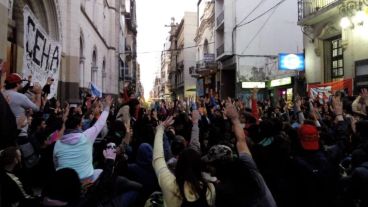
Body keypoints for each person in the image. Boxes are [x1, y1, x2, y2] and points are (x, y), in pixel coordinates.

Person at [202, 99, 276, 207]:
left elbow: (241, 140)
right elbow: (241, 141)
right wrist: (235, 120)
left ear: (218, 166)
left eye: (211, 165)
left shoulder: (224, 192)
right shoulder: (250, 168)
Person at [153, 112, 215, 207]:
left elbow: (158, 158)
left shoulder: (169, 184)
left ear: (179, 165)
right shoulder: (210, 189)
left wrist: (160, 129)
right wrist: (195, 123)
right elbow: (194, 143)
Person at [53, 95, 113, 182]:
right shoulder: (86, 137)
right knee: (103, 173)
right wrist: (107, 106)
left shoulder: (57, 144)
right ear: (79, 125)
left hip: (64, 183)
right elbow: (101, 122)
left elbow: (56, 165)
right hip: (86, 181)